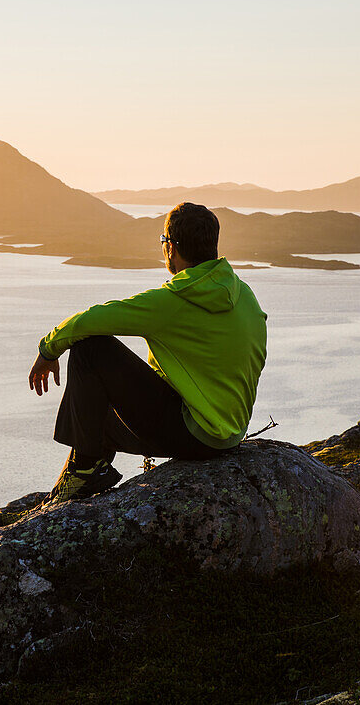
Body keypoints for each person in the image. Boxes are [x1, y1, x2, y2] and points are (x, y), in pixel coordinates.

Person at [28, 202, 267, 503]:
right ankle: (69, 485)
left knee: (90, 349)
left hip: (194, 435)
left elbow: (91, 320)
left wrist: (48, 349)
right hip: (228, 436)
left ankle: (86, 470)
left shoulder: (174, 300)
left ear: (172, 249)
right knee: (93, 413)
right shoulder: (244, 295)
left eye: (164, 242)